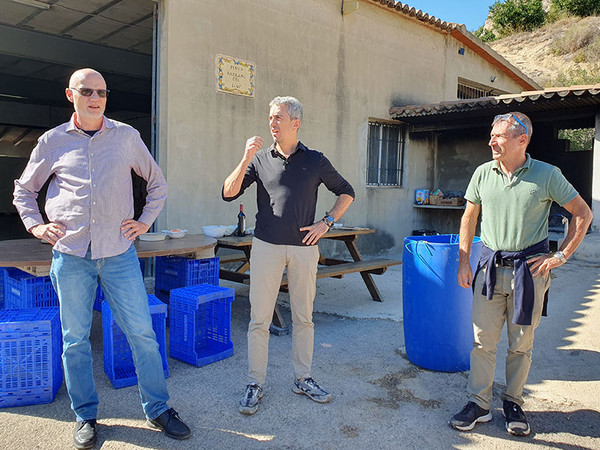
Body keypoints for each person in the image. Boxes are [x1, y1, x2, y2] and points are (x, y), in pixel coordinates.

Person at [13, 68, 191, 449]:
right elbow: (24, 191)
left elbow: (157, 183)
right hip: (71, 255)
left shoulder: (126, 137)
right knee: (74, 339)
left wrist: (144, 222)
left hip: (119, 253)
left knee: (142, 333)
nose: (95, 98)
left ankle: (158, 408)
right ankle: (86, 415)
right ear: (70, 95)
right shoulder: (52, 141)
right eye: (87, 91)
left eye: (102, 92)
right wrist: (36, 226)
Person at [449, 112, 593, 436]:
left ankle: (513, 402)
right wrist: (463, 261)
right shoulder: (483, 174)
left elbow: (582, 213)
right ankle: (479, 403)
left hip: (529, 274)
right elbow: (469, 219)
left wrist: (561, 255)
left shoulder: (546, 174)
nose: (491, 141)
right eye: (491, 135)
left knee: (520, 344)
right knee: (482, 341)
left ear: (521, 140)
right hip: (488, 269)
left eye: (498, 136)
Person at [222, 96, 355, 415]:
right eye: (270, 117)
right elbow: (228, 192)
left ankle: (303, 378)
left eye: (278, 117)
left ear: (296, 123)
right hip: (266, 246)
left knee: (303, 317)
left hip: (304, 250)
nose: (272, 122)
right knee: (259, 319)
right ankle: (255, 382)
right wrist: (245, 158)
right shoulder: (259, 159)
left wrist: (326, 223)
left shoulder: (315, 160)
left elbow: (347, 191)